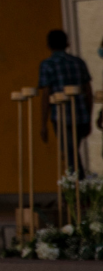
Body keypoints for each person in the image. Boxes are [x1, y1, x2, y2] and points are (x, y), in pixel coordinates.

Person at [38, 29, 96, 176]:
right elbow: (88, 92)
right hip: (81, 115)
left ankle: (78, 188)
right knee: (71, 151)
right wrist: (89, 117)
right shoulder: (78, 63)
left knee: (70, 153)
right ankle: (75, 188)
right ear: (67, 43)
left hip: (61, 116)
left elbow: (46, 95)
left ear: (48, 45)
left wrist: (43, 123)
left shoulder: (47, 65)